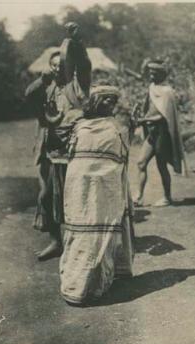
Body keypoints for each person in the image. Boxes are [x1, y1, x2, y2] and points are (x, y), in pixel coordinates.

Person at [59, 85, 135, 305]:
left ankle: (93, 284)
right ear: (96, 102)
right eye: (106, 100)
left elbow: (120, 159)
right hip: (83, 190)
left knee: (98, 233)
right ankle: (80, 286)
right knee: (86, 233)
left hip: (100, 189)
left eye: (112, 100)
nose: (109, 104)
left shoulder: (114, 128)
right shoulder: (81, 126)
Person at [25, 22, 91, 261]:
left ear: (68, 66)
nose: (57, 69)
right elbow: (28, 96)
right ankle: (56, 241)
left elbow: (84, 64)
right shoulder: (47, 87)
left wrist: (77, 42)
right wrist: (41, 82)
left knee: (76, 199)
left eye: (61, 64)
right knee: (46, 196)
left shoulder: (78, 84)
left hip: (76, 151)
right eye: (53, 66)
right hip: (53, 152)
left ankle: (79, 245)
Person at [133, 59, 186, 207]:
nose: (151, 75)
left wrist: (145, 120)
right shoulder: (151, 88)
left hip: (162, 133)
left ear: (162, 74)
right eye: (150, 72)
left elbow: (164, 116)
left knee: (161, 165)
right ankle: (139, 196)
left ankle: (167, 197)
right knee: (141, 162)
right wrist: (140, 115)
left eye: (155, 73)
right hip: (151, 133)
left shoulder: (167, 91)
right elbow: (148, 107)